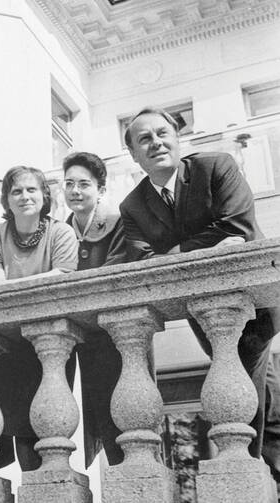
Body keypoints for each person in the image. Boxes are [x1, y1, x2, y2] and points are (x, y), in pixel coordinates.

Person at [120, 106, 280, 482]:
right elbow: (144, 260)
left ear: (177, 137)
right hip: (202, 314)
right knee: (263, 386)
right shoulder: (133, 205)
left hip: (253, 303)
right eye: (144, 139)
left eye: (163, 133)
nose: (156, 143)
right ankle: (269, 466)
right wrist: (208, 243)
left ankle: (245, 470)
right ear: (133, 154)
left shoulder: (216, 166)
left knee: (246, 365)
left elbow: (236, 223)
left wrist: (174, 253)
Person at [0, 165, 79, 470]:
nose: (24, 196)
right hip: (12, 345)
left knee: (52, 425)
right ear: (6, 200)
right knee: (21, 429)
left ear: (44, 195)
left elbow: (62, 279)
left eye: (31, 189)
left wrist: (16, 284)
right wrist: (41, 279)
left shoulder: (61, 231)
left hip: (53, 340)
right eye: (16, 191)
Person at [63, 152, 126, 467]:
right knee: (95, 415)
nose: (75, 190)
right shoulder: (61, 231)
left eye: (83, 184)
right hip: (80, 338)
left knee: (122, 417)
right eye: (69, 183)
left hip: (114, 335)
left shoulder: (118, 222)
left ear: (100, 189)